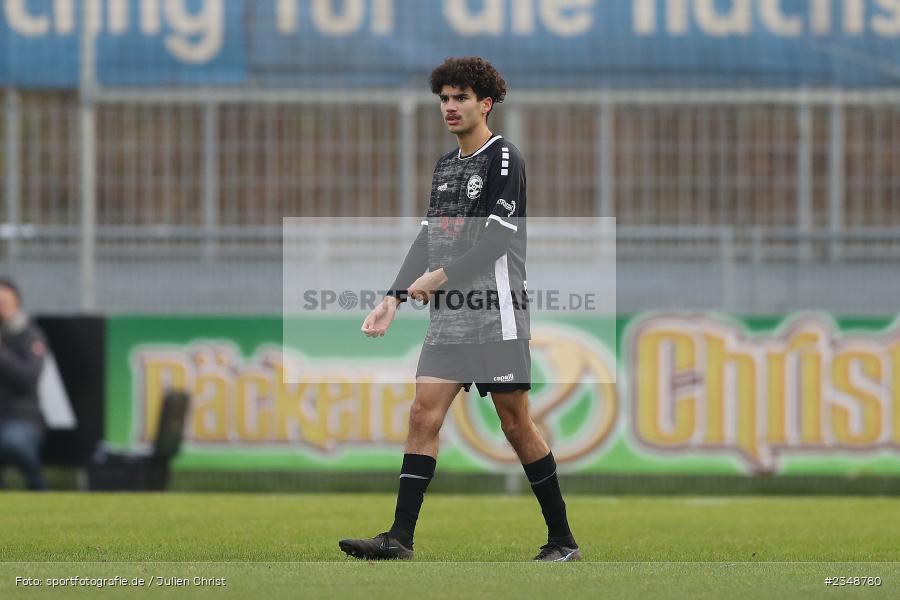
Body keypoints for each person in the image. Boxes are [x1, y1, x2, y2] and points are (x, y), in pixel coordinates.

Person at [339, 57, 580, 562]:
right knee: (422, 415)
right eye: (444, 99)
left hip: (497, 314)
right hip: (449, 319)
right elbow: (428, 239)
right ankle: (399, 538)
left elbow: (495, 240)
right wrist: (392, 297)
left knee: (515, 424)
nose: (450, 107)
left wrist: (437, 279)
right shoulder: (446, 165)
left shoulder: (504, 158)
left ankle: (562, 541)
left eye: (460, 98)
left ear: (485, 104)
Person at [0, 278, 48, 491]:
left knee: (14, 442)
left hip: (22, 419)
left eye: (4, 302)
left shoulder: (30, 335)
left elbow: (28, 378)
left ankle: (37, 486)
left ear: (16, 303)